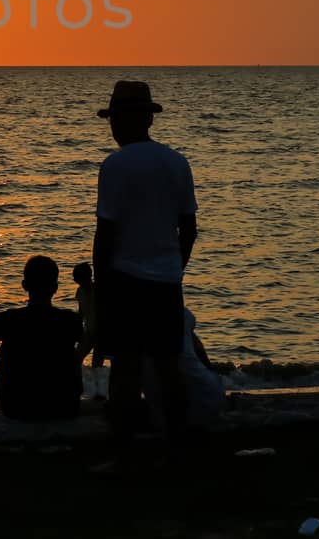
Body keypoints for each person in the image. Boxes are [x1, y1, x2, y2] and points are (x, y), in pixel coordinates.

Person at [91, 80, 198, 437]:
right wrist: (174, 268)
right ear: (149, 120)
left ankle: (126, 451)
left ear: (119, 121)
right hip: (167, 281)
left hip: (125, 279)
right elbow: (189, 227)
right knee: (169, 367)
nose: (113, 127)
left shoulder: (116, 166)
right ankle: (177, 446)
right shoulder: (177, 163)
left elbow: (105, 234)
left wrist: (101, 285)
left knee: (125, 368)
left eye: (114, 119)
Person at [0, 256, 85, 421]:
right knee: (73, 352)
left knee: (3, 351)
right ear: (55, 288)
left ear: (24, 285)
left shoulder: (7, 319)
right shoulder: (70, 320)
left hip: (17, 408)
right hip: (64, 407)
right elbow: (81, 337)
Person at [72, 261, 103, 372]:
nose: (74, 280)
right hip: (89, 332)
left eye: (76, 277)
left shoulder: (99, 291)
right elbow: (81, 312)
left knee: (97, 365)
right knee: (75, 359)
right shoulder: (79, 291)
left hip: (101, 333)